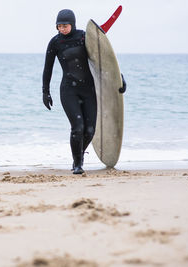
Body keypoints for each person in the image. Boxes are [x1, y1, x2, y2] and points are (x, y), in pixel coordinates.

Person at [42, 9, 126, 174]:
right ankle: (78, 164)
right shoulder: (55, 43)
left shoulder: (84, 37)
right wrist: (45, 91)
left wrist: (119, 78)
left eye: (65, 25)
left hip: (88, 90)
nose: (62, 29)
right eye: (59, 26)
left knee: (90, 130)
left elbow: (104, 59)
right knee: (78, 127)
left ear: (72, 24)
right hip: (68, 90)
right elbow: (48, 69)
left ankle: (77, 157)